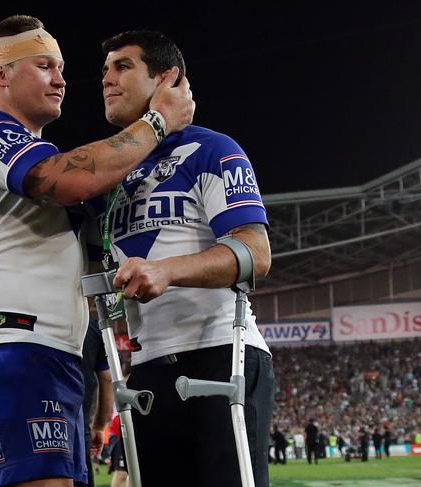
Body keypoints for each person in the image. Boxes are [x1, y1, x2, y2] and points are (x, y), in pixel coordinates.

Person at [0, 14, 193, 487]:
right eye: (44, 66)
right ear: (1, 74)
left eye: (59, 67)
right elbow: (66, 179)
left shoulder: (39, 152)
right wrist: (156, 122)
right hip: (9, 345)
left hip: (52, 353)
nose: (61, 79)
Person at [86, 30, 274, 487]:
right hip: (147, 369)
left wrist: (165, 271)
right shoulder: (108, 174)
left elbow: (255, 251)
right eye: (105, 70)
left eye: (122, 66)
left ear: (168, 77)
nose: (107, 79)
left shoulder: (212, 149)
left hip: (219, 353)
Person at [76, 306, 113, 487]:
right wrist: (100, 426)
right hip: (76, 424)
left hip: (36, 421)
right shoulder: (92, 326)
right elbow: (106, 380)